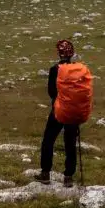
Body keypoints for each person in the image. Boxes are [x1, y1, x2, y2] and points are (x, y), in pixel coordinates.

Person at [37, 39, 79, 187]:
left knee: (48, 140)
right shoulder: (78, 70)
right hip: (73, 112)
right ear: (71, 53)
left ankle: (45, 173)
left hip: (58, 109)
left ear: (59, 53)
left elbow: (51, 92)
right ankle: (68, 177)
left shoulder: (55, 69)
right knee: (70, 143)